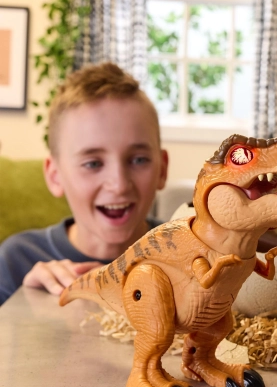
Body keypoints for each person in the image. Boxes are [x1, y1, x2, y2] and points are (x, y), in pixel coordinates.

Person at [0, 62, 168, 305]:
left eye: (138, 160)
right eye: (93, 164)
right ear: (55, 176)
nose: (119, 185)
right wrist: (24, 303)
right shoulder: (17, 259)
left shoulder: (188, 253)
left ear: (162, 169)